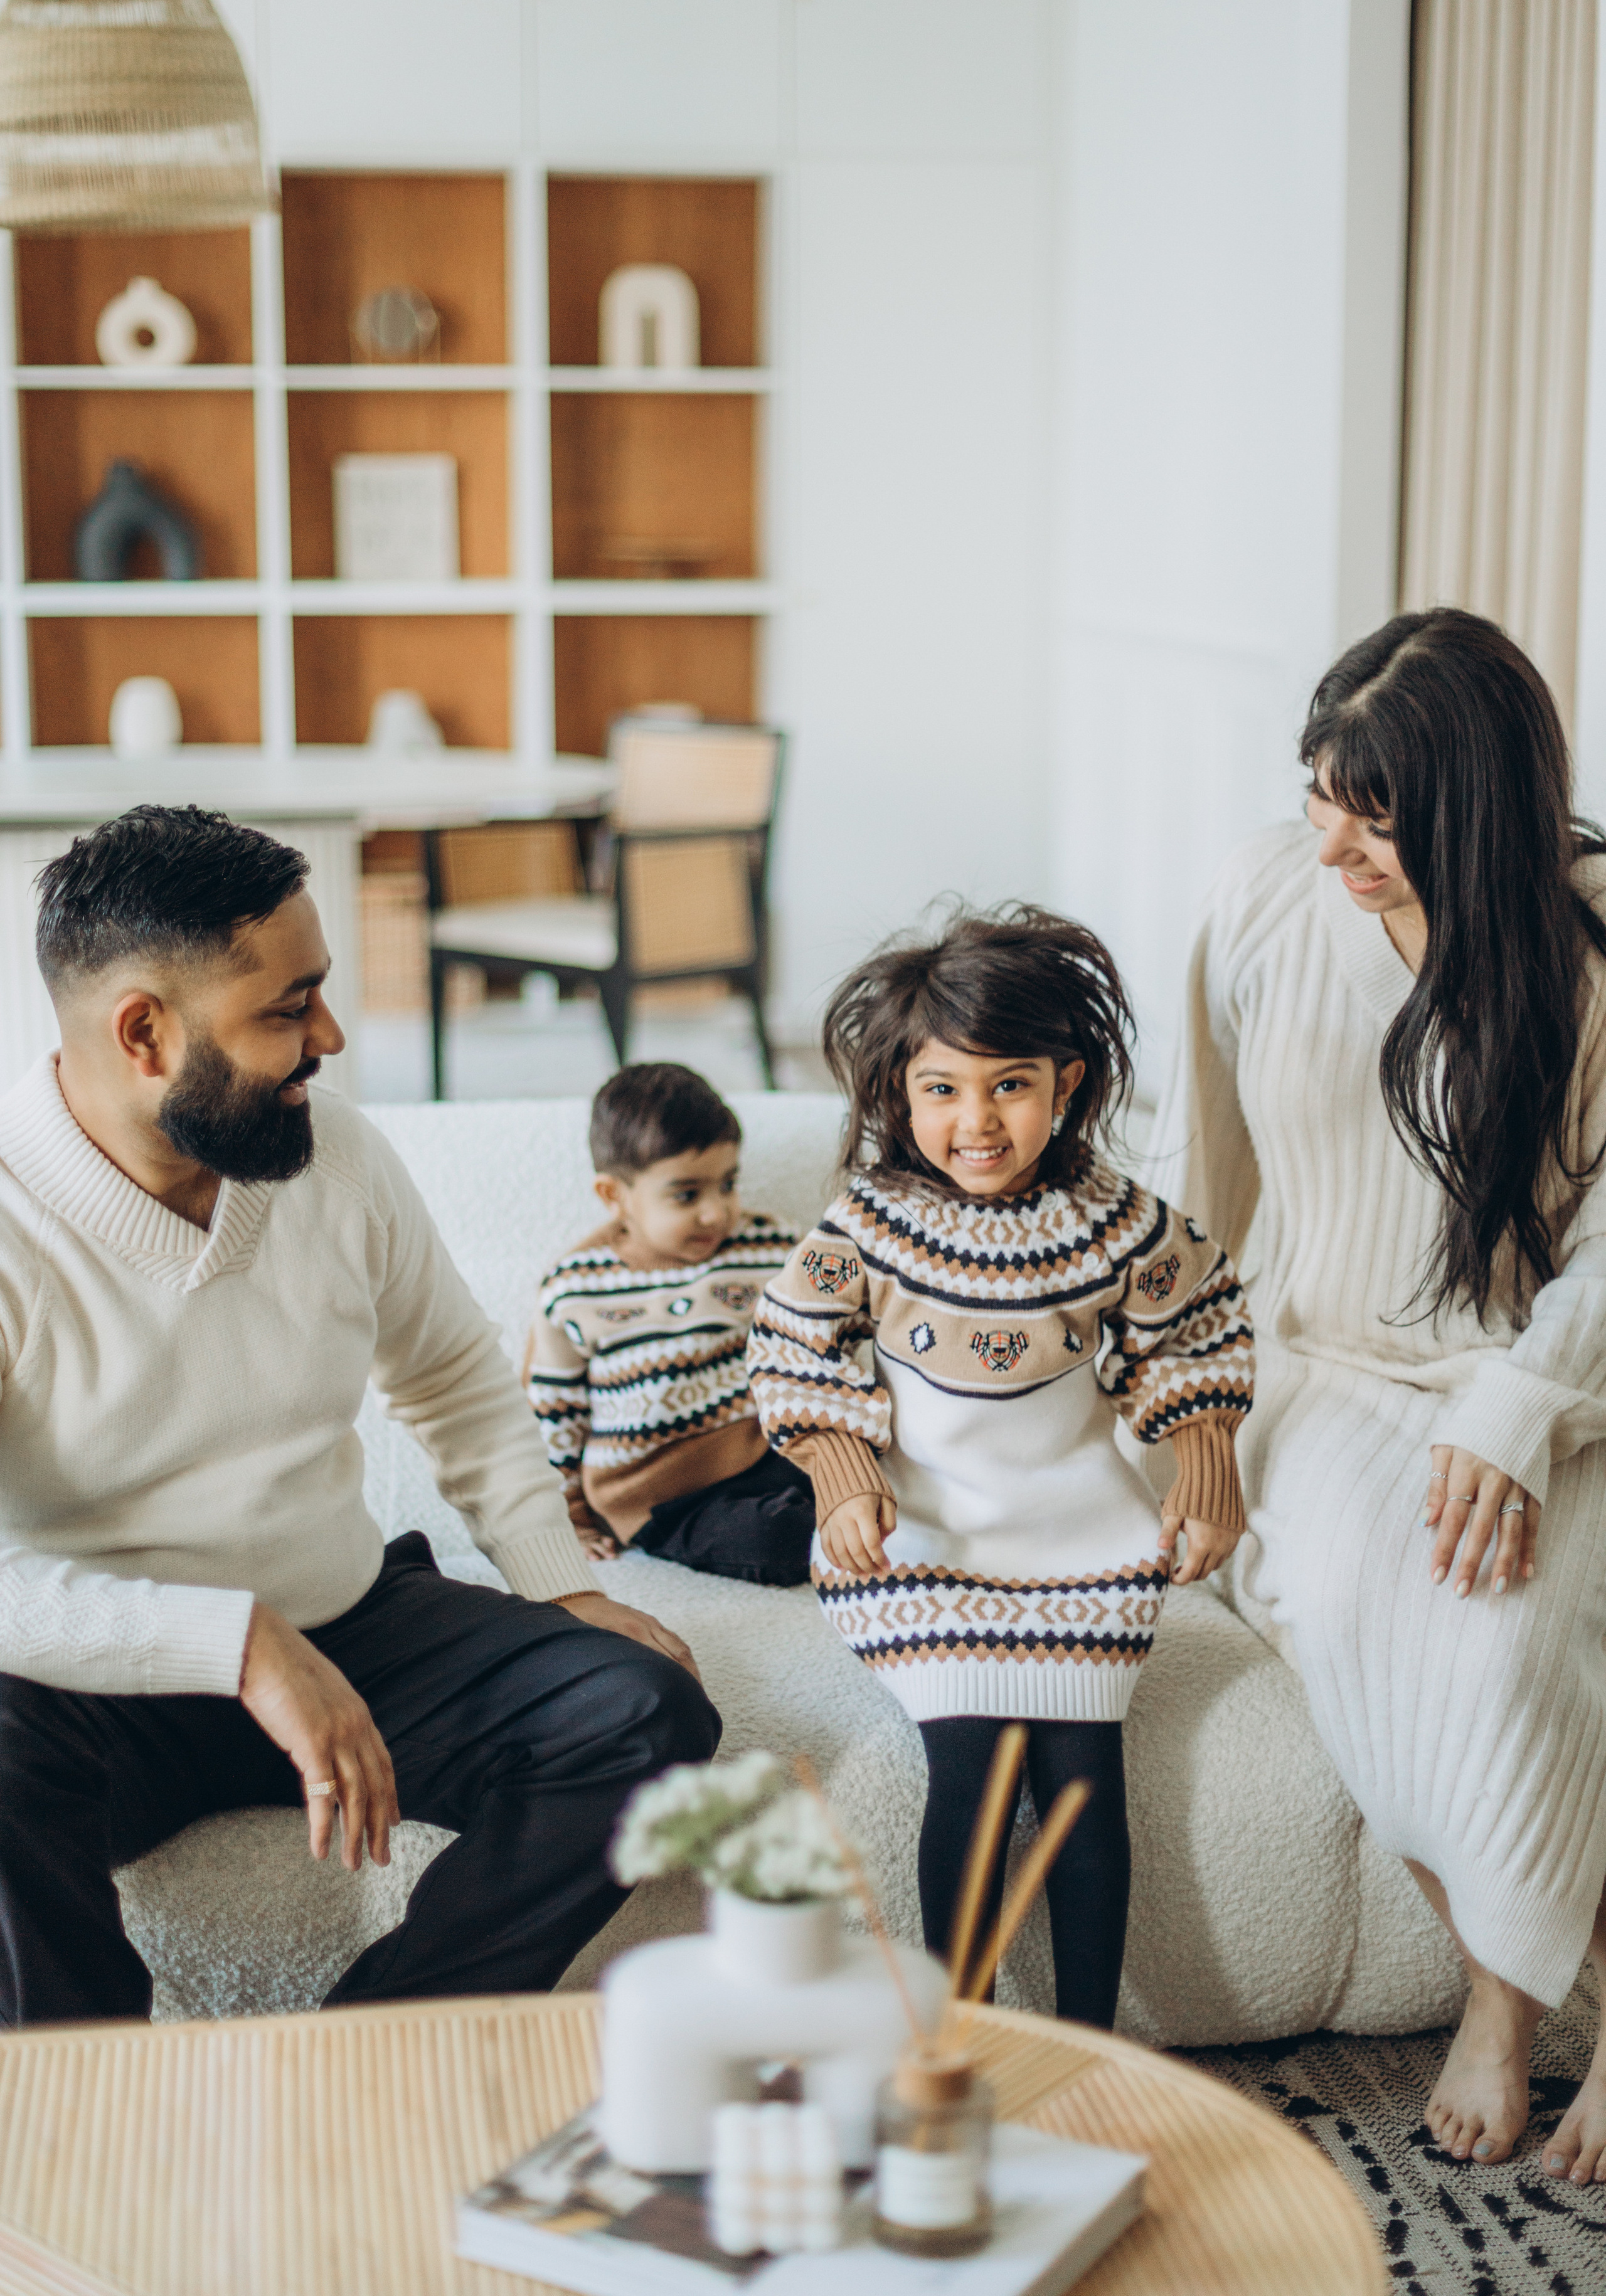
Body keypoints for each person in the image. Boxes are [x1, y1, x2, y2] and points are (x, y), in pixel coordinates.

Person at [0, 804, 719, 2027]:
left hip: (349, 1624)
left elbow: (448, 1372)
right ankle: (91, 2114)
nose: (331, 1036)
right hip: (87, 1681)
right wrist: (237, 1643)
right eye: (288, 1010)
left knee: (646, 1713)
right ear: (144, 1035)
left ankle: (368, 2048)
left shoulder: (333, 1156)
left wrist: (558, 1579)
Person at [1152, 608, 1606, 2183]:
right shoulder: (1265, 896)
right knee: (1388, 1604)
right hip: (1321, 1363)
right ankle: (1506, 2004)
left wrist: (1521, 1398)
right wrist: (1170, 1387)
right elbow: (1195, 1170)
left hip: (1552, 1376)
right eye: (1315, 790)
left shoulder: (1589, 931)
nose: (1331, 837)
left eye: (1376, 810)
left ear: (1476, 809)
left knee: (1525, 1618)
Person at [746, 906, 1255, 2026]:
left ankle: (1087, 2042)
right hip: (930, 1544)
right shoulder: (871, 1224)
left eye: (1009, 1085)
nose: (976, 1121)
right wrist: (842, 1470)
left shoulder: (1117, 1223)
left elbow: (1201, 1321)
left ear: (1066, 1083)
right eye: (942, 1090)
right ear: (900, 1095)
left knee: (1083, 1790)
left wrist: (1206, 1463)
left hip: (1083, 1539)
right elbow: (789, 1345)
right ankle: (962, 2035)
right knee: (971, 1775)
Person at [526, 1063, 812, 1585]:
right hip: (659, 1494)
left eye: (728, 1185)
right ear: (615, 1196)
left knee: (879, 1479)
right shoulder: (574, 1290)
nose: (715, 1213)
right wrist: (567, 1518)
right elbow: (554, 1413)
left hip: (764, 1450)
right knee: (779, 1538)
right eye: (686, 1195)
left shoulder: (769, 1246)